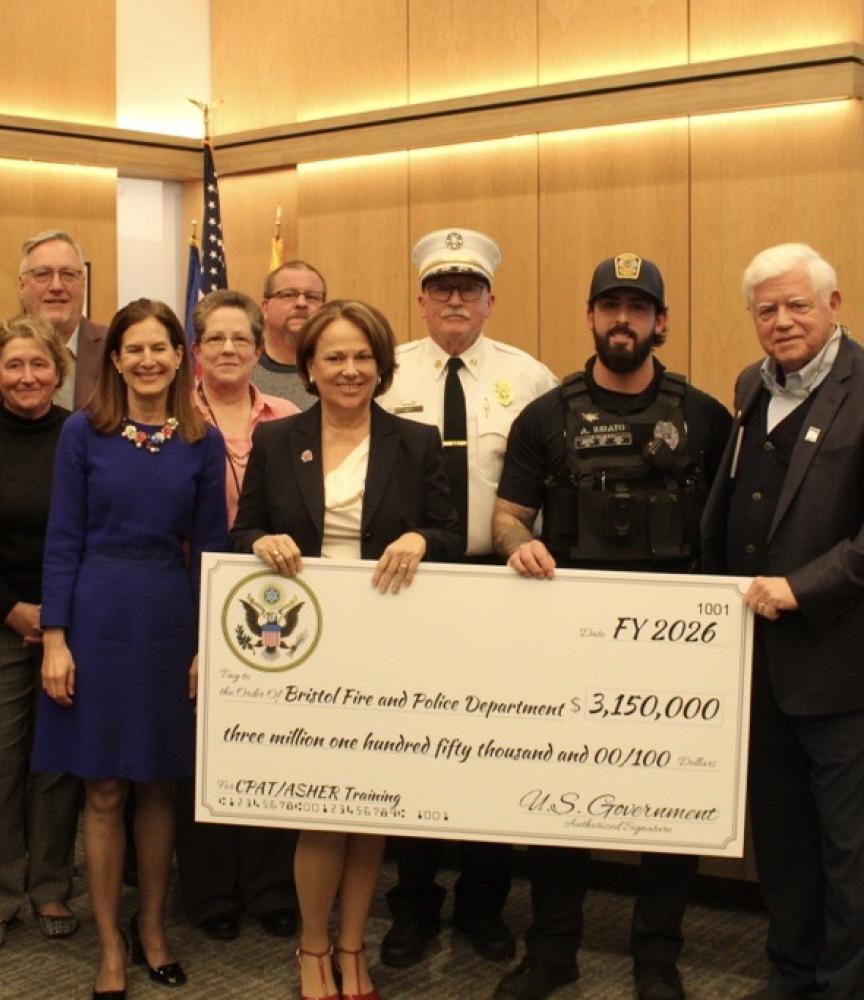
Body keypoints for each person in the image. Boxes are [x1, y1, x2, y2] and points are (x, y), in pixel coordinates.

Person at [699, 243, 864, 1000]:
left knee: (853, 851)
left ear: (834, 306)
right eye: (766, 309)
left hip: (849, 665)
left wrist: (803, 588)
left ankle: (846, 989)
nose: (782, 321)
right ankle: (792, 975)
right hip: (761, 663)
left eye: (798, 305)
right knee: (784, 839)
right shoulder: (750, 385)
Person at [491, 253, 731, 1000]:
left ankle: (657, 956)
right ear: (591, 317)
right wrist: (517, 545)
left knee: (670, 799)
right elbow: (508, 517)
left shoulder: (704, 416)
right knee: (560, 796)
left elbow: (732, 526)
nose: (623, 320)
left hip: (677, 643)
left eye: (638, 308)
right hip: (571, 638)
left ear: (661, 322)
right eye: (610, 306)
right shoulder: (544, 416)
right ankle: (552, 949)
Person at [230, 299, 462, 1000]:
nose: (350, 369)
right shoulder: (277, 440)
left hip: (389, 645)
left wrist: (421, 539)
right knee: (321, 806)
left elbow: (451, 535)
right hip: (306, 648)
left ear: (382, 366)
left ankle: (353, 946)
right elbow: (242, 533)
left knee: (370, 809)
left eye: (363, 356)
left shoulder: (416, 442)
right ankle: (312, 946)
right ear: (309, 367)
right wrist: (261, 541)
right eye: (333, 356)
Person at [33, 298, 228, 997]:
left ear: (181, 357)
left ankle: (153, 928)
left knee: (159, 783)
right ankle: (110, 943)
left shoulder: (201, 440)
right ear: (115, 359)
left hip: (169, 615)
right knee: (104, 787)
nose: (148, 360)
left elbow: (211, 549)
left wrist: (209, 645)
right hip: (96, 614)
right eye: (134, 348)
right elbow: (62, 540)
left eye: (160, 347)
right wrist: (55, 639)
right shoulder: (83, 433)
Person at [377, 227, 556, 969]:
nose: (455, 299)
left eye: (469, 288)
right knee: (411, 748)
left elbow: (549, 483)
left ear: (490, 299)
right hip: (408, 580)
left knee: (492, 748)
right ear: (421, 299)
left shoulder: (531, 378)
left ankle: (484, 906)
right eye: (442, 287)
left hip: (498, 581)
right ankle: (413, 907)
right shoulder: (386, 372)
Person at [174, 288, 299, 943]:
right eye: (215, 339)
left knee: (273, 741)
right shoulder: (172, 416)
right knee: (201, 746)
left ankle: (271, 885)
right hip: (186, 594)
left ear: (258, 349)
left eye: (240, 339)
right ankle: (211, 890)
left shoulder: (288, 418)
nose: (228, 349)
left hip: (273, 601)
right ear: (196, 350)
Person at [0, 314, 80, 952]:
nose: (28, 376)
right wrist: (11, 609)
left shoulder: (83, 435)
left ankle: (51, 884)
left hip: (70, 622)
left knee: (55, 762)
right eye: (14, 365)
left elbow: (92, 530)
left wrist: (56, 615)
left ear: (59, 371)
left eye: (39, 364)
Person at [0, 229, 107, 412]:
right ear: (22, 286)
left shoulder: (114, 347)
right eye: (42, 274)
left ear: (83, 283)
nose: (56, 286)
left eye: (68, 274)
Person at [252, 260, 327, 409]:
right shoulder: (243, 370)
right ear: (265, 308)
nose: (301, 303)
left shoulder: (340, 371)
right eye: (289, 295)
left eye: (312, 297)